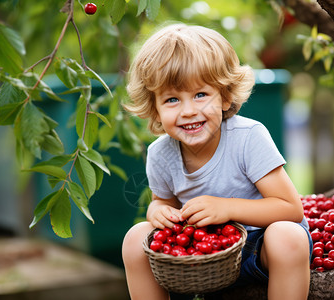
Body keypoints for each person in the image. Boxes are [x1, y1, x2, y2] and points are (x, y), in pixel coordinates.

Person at [122, 23, 312, 300]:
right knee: (135, 238)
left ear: (224, 97)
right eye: (172, 99)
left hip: (258, 247)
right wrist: (157, 211)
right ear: (155, 109)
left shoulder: (248, 137)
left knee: (287, 237)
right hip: (204, 254)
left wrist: (227, 208)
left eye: (200, 95)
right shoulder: (161, 153)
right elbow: (164, 203)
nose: (188, 111)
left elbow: (291, 209)